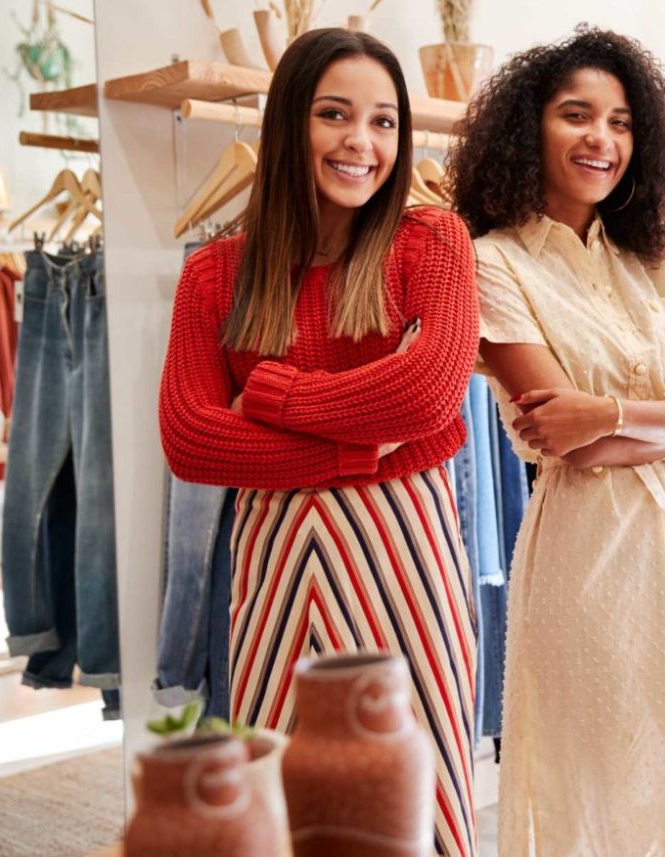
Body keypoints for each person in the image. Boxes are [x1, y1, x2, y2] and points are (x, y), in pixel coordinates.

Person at [158, 28, 479, 856]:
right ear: (288, 123)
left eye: (383, 123)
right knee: (281, 781)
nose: (360, 143)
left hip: (405, 548)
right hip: (274, 560)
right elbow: (193, 441)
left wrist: (274, 392)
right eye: (335, 115)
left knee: (421, 774)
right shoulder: (214, 274)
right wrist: (358, 447)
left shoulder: (432, 243)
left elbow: (431, 392)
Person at [451, 27, 665, 856]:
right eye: (577, 115)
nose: (602, 138)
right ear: (531, 129)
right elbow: (569, 442)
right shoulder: (491, 263)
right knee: (594, 779)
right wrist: (647, 425)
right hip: (586, 547)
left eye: (622, 122)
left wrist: (611, 415)